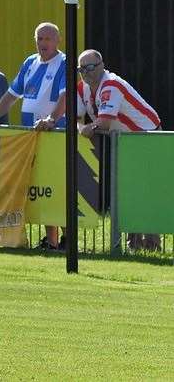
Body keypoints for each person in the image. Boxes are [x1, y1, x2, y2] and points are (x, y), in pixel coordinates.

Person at [0, 22, 67, 249]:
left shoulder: (64, 63)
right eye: (40, 39)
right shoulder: (30, 63)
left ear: (58, 41)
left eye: (48, 39)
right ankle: (52, 241)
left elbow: (66, 97)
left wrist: (52, 120)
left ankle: (68, 240)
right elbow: (10, 95)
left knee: (57, 186)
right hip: (30, 137)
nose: (43, 43)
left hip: (55, 135)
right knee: (40, 185)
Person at [75, 49, 161, 252]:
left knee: (142, 192)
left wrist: (90, 128)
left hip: (146, 138)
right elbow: (76, 116)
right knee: (127, 191)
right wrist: (82, 128)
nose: (86, 72)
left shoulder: (111, 85)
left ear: (102, 65)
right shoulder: (83, 88)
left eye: (90, 67)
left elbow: (104, 122)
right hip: (126, 140)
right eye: (81, 68)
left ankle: (152, 245)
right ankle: (135, 243)